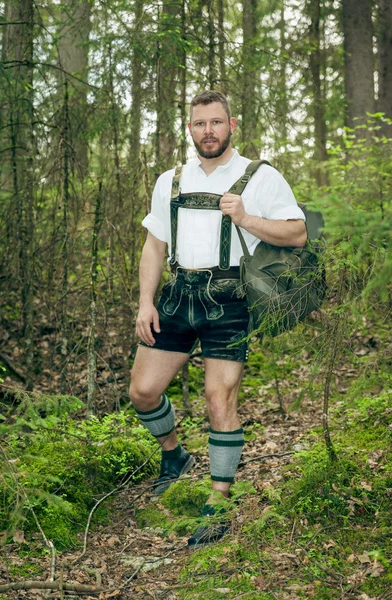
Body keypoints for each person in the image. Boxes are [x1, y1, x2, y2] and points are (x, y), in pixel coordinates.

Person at [129, 90, 306, 548]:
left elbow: (298, 231)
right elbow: (154, 246)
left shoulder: (259, 176)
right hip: (177, 294)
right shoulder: (171, 179)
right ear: (190, 129)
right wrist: (146, 302)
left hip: (230, 299)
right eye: (199, 123)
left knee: (218, 399)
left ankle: (218, 503)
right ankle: (174, 456)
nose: (208, 130)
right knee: (143, 392)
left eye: (216, 122)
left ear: (232, 125)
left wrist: (246, 217)